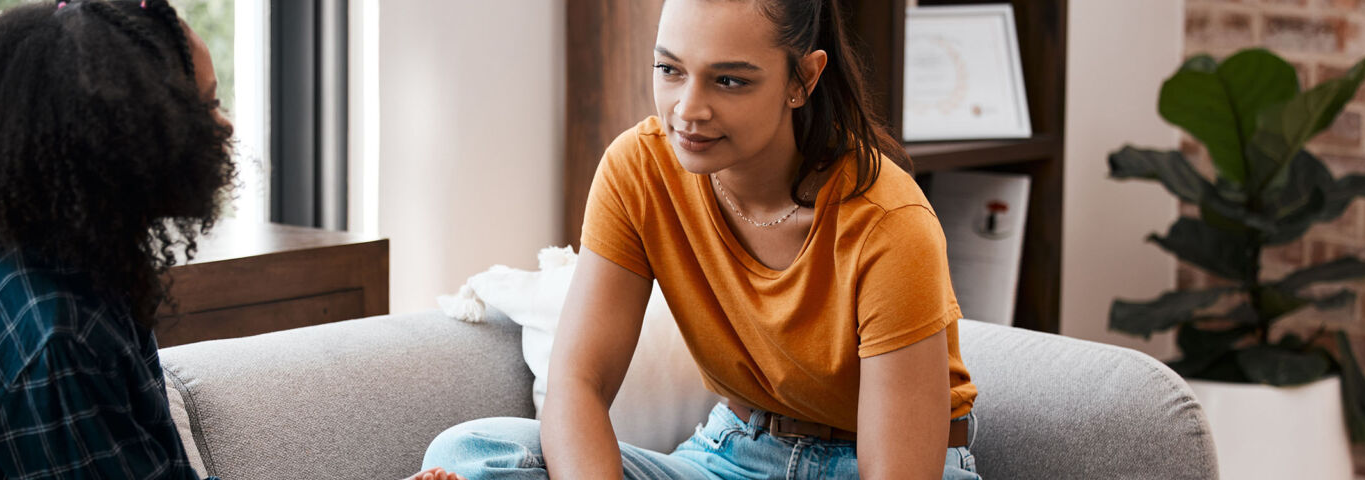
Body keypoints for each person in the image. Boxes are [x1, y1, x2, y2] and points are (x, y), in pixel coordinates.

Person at [414, 0, 979, 478]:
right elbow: (578, 382)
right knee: (473, 454)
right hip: (733, 455)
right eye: (669, 69)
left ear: (802, 80)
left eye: (729, 80)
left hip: (872, 466)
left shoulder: (888, 219)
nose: (687, 110)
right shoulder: (639, 170)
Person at [0, 1, 234, 478]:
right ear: (129, 135)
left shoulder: (77, 269)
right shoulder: (56, 335)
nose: (224, 123)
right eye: (207, 106)